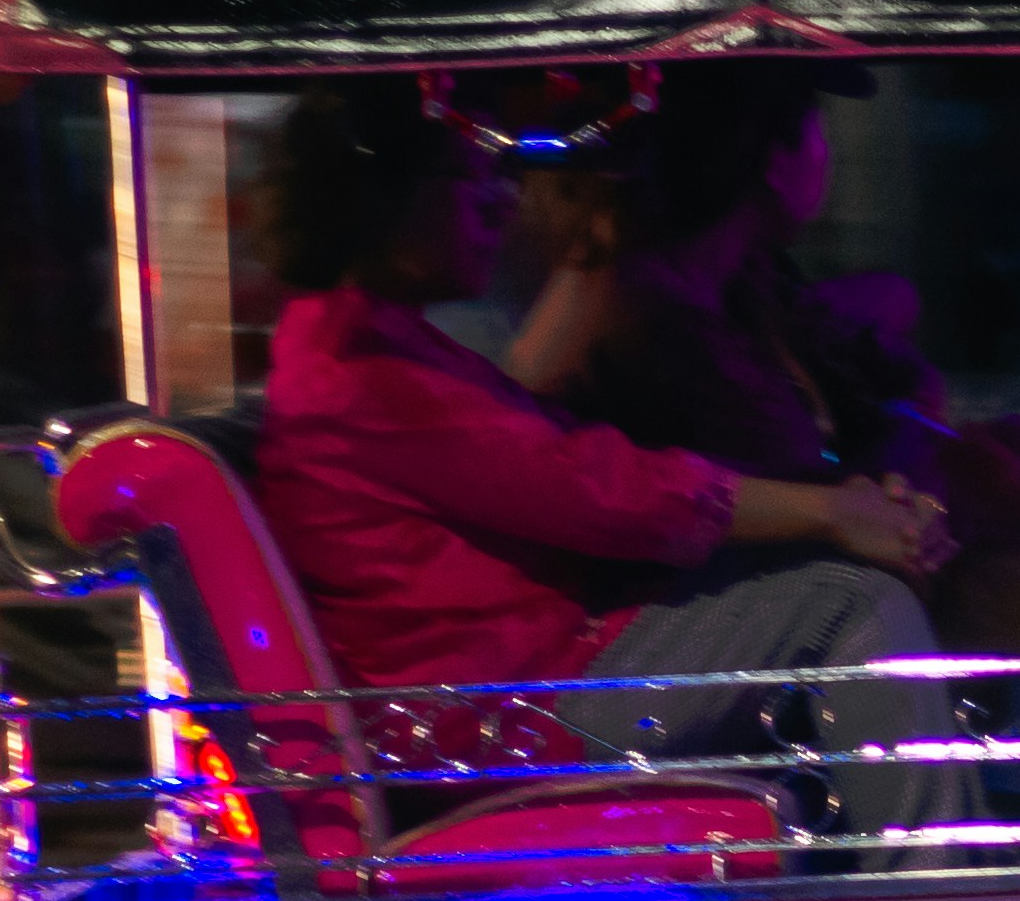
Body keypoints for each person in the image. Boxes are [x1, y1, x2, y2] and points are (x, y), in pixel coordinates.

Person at [249, 79, 971, 827]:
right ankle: (938, 880)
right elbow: (600, 489)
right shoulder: (359, 373)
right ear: (382, 195)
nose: (501, 204)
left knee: (827, 574)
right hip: (500, 721)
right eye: (471, 179)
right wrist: (833, 510)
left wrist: (845, 511)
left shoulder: (375, 340)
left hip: (530, 678)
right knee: (857, 605)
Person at [508, 63, 1020, 665]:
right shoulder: (660, 326)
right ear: (772, 157)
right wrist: (906, 441)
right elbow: (808, 512)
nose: (828, 154)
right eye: (815, 127)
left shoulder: (739, 292)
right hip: (769, 635)